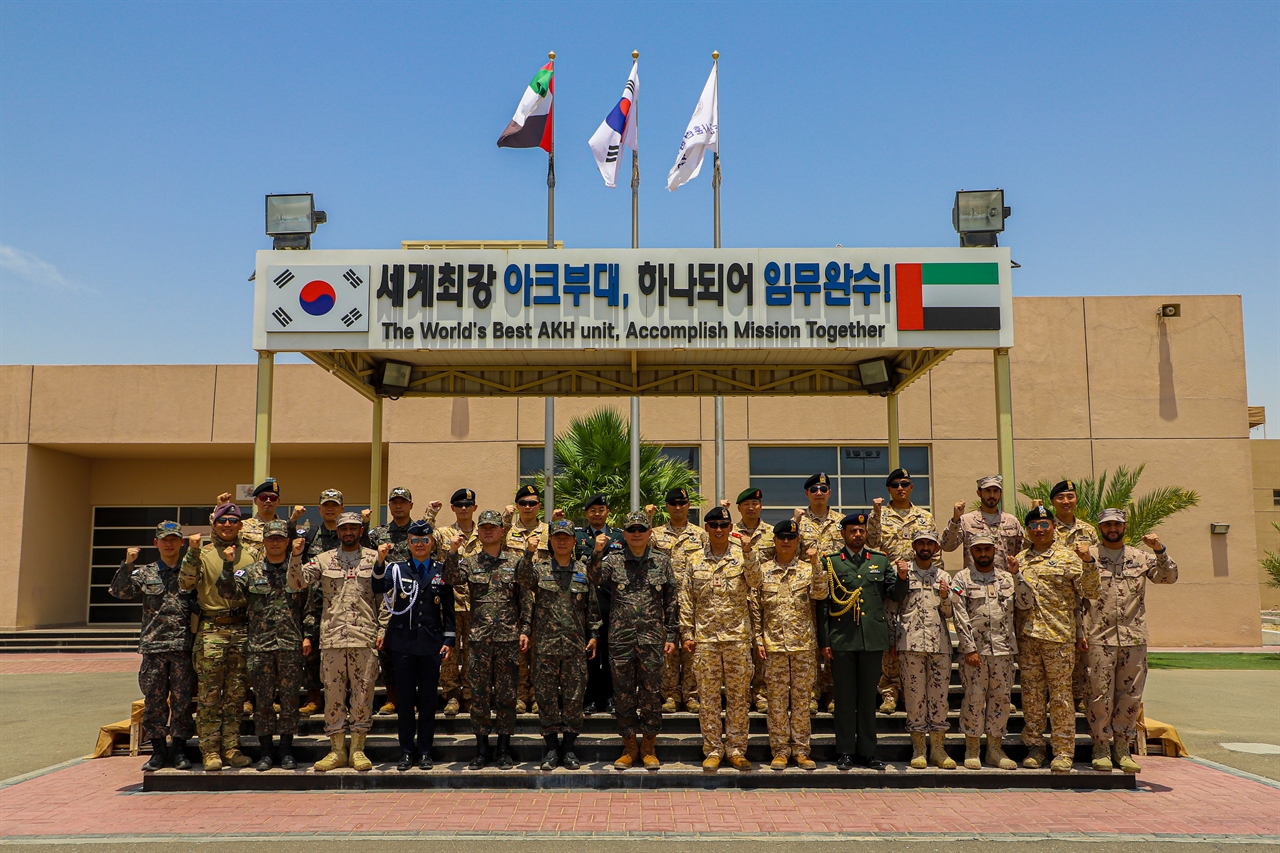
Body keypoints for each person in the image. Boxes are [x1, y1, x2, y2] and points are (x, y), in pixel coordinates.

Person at [1082, 509, 1177, 773]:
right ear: (1100, 528)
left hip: (1133, 637)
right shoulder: (1087, 556)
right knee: (1099, 695)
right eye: (1107, 524)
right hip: (1098, 637)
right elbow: (1077, 596)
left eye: (1117, 523)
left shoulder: (1140, 557)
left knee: (1130, 696)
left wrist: (1160, 549)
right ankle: (1101, 746)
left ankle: (1122, 747)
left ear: (1125, 526)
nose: (1112, 528)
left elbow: (1168, 577)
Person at [288, 512, 381, 773]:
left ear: (361, 531)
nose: (349, 532)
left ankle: (358, 750)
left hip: (364, 637)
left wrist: (382, 629)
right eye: (344, 528)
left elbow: (386, 599)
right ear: (338, 532)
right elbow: (296, 583)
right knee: (333, 696)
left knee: (363, 695)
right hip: (332, 639)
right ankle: (337, 750)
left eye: (353, 527)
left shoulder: (375, 559)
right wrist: (296, 556)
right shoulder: (324, 559)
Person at [588, 510, 678, 770]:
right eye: (632, 530)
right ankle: (629, 746)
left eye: (641, 529)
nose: (637, 534)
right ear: (624, 534)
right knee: (624, 694)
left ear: (649, 533)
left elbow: (671, 600)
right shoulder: (613, 560)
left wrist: (671, 634)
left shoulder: (662, 562)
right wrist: (596, 552)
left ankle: (648, 746)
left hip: (651, 639)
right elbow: (593, 578)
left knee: (651, 693)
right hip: (621, 639)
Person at [1013, 505, 1100, 772]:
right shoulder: (1020, 559)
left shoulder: (1068, 557)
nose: (1038, 529)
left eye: (1043, 524)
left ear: (1053, 526)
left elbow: (1090, 591)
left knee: (1062, 697)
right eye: (1033, 526)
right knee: (1032, 695)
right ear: (1027, 530)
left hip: (1059, 636)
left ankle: (1063, 751)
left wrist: (1088, 562)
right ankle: (1036, 746)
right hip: (1028, 637)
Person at [816, 512, 906, 770]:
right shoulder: (832, 562)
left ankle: (867, 752)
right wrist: (825, 641)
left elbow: (895, 595)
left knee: (868, 698)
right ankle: (845, 751)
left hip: (871, 640)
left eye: (861, 530)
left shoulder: (878, 560)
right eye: (853, 531)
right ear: (843, 534)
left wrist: (901, 577)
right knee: (844, 699)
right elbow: (823, 604)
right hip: (842, 639)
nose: (858, 534)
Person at [676, 506, 762, 771]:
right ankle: (713, 749)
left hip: (737, 638)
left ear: (730, 528)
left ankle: (736, 749)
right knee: (709, 698)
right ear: (706, 528)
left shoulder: (743, 555)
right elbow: (686, 599)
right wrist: (687, 633)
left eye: (723, 525)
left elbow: (756, 582)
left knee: (738, 697)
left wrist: (748, 552)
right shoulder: (694, 560)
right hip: (705, 640)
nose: (719, 530)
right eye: (713, 525)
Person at [217, 520, 306, 771]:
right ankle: (266, 752)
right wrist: (228, 564)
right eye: (270, 538)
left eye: (279, 538)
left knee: (289, 701)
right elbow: (228, 592)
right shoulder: (251, 572)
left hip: (290, 644)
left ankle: (287, 751)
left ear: (287, 542)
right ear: (264, 542)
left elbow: (309, 606)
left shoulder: (297, 571)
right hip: (260, 646)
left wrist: (308, 635)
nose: (275, 542)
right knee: (263, 702)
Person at [441, 509, 526, 771]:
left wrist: (525, 629)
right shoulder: (470, 562)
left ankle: (503, 748)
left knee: (506, 696)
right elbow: (450, 578)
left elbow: (525, 600)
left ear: (503, 531)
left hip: (507, 639)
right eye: (484, 527)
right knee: (478, 696)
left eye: (494, 527)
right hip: (478, 640)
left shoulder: (516, 562)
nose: (488, 531)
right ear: (479, 532)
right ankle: (481, 748)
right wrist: (453, 552)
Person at [109, 520, 196, 771]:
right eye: (164, 540)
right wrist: (127, 564)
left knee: (181, 703)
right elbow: (120, 592)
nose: (169, 544)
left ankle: (180, 751)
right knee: (154, 702)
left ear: (181, 542)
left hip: (183, 646)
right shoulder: (145, 572)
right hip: (154, 647)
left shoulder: (190, 571)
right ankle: (158, 752)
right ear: (155, 543)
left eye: (174, 539)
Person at [373, 519, 455, 771]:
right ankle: (407, 752)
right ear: (408, 544)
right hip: (403, 643)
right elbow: (377, 586)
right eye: (414, 541)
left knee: (429, 701)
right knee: (406, 701)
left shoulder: (442, 570)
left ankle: (426, 752)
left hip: (430, 643)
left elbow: (448, 608)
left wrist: (449, 639)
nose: (420, 545)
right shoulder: (396, 569)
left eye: (425, 540)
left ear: (432, 543)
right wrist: (379, 561)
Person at [179, 502, 255, 771]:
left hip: (242, 629)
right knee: (210, 694)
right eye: (223, 521)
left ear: (240, 525)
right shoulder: (202, 553)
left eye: (233, 521)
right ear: (214, 524)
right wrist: (192, 552)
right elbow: (186, 583)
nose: (227, 525)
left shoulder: (252, 555)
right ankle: (210, 751)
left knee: (235, 694)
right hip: (212, 629)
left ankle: (231, 748)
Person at [518, 520, 599, 770]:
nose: (562, 541)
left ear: (574, 541)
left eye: (566, 537)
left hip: (575, 647)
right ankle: (552, 748)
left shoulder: (584, 571)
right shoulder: (540, 570)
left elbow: (592, 608)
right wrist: (528, 552)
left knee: (575, 698)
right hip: (545, 647)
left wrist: (594, 634)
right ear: (550, 541)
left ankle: (570, 747)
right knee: (546, 696)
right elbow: (522, 578)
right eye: (557, 537)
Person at [750, 519, 826, 770]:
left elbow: (820, 593)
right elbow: (756, 608)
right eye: (781, 537)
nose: (785, 541)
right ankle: (780, 750)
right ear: (774, 541)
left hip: (803, 646)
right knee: (777, 702)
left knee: (802, 701)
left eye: (791, 538)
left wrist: (816, 564)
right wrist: (759, 640)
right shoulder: (763, 571)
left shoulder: (807, 569)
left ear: (797, 542)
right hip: (774, 647)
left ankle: (802, 751)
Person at [867, 467, 939, 715]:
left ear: (911, 487)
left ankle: (911, 691)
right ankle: (889, 691)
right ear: (889, 489)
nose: (900, 488)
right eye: (895, 484)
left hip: (918, 584)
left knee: (913, 638)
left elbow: (932, 548)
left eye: (905, 484)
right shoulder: (880, 514)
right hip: (889, 584)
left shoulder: (924, 517)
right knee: (890, 639)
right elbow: (872, 543)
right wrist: (876, 514)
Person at [949, 533, 1020, 770]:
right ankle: (972, 748)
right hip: (975, 653)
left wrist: (1018, 575)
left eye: (987, 549)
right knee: (974, 698)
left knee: (1001, 699)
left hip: (1003, 650)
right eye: (978, 550)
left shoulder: (1007, 578)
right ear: (971, 552)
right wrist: (969, 648)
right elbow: (959, 616)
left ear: (994, 551)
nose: (982, 554)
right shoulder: (962, 578)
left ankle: (994, 749)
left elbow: (1026, 604)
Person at [368, 487, 439, 716]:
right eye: (394, 502)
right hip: (389, 600)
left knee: (420, 650)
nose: (398, 506)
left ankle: (418, 697)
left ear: (410, 505)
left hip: (419, 595)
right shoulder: (377, 535)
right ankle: (393, 696)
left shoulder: (419, 532)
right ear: (389, 505)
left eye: (403, 502)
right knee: (389, 648)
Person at [892, 529, 956, 770]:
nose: (926, 547)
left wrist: (945, 597)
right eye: (921, 543)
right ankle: (919, 748)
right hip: (911, 644)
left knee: (939, 698)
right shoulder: (904, 573)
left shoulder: (944, 576)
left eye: (930, 543)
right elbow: (893, 607)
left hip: (940, 644)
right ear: (914, 546)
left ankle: (938, 749)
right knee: (914, 697)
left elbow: (951, 613)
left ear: (936, 548)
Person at [648, 487, 708, 714]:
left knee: (692, 648)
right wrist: (648, 517)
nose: (678, 507)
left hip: (693, 600)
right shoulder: (656, 533)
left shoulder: (700, 535)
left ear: (688, 505)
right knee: (668, 651)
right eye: (673, 502)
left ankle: (691, 695)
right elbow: (640, 544)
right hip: (664, 600)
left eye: (682, 502)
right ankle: (670, 695)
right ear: (667, 506)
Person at [1048, 479, 1100, 713]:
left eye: (1070, 496)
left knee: (1082, 649)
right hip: (1056, 598)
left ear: (1076, 499)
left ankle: (1078, 697)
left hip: (1084, 598)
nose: (1066, 501)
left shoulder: (1088, 530)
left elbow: (1097, 562)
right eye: (1060, 497)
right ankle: (1056, 697)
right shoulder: (1046, 527)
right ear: (1053, 502)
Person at [296, 488, 349, 717]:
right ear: (319, 509)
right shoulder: (309, 536)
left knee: (342, 653)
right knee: (312, 651)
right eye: (326, 505)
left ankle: (341, 699)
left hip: (342, 601)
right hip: (314, 603)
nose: (330, 509)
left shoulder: (348, 535)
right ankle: (313, 697)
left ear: (342, 509)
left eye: (334, 505)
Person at [795, 472, 843, 712]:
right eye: (814, 489)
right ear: (807, 494)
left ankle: (832, 693)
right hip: (808, 592)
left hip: (837, 592)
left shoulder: (842, 521)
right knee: (812, 643)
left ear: (829, 493)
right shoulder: (798, 523)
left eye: (823, 489)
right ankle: (813, 692)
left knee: (833, 643)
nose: (819, 493)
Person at [574, 494, 625, 715]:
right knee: (590, 656)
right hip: (586, 603)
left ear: (608, 512)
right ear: (586, 513)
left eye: (601, 509)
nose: (597, 513)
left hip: (612, 603)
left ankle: (611, 698)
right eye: (592, 510)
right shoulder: (577, 537)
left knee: (612, 655)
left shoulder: (619, 537)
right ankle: (591, 699)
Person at [432, 488, 480, 716]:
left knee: (473, 652)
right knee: (448, 652)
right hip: (449, 603)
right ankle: (451, 694)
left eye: (468, 505)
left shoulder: (485, 532)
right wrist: (430, 513)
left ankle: (470, 695)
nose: (464, 508)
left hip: (476, 604)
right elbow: (420, 537)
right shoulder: (443, 533)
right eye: (459, 505)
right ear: (452, 508)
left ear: (474, 508)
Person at [727, 488, 775, 712]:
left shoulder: (771, 533)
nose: (751, 507)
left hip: (766, 597)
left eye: (755, 503)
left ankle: (762, 692)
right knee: (741, 649)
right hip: (736, 598)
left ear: (761, 506)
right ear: (739, 508)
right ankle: (743, 693)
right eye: (746, 504)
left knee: (764, 644)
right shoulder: (728, 533)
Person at [505, 484, 551, 714]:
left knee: (540, 650)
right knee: (519, 650)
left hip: (543, 598)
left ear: (539, 506)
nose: (528, 507)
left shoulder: (549, 532)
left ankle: (537, 696)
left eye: (532, 503)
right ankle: (521, 695)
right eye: (523, 503)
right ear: (517, 507)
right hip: (514, 600)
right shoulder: (507, 532)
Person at [941, 475, 1025, 574]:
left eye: (996, 491)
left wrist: (1039, 512)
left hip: (1005, 583)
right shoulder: (967, 520)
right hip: (974, 583)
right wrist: (955, 519)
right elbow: (947, 546)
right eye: (987, 491)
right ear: (979, 493)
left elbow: (1024, 552)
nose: (992, 495)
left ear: (1000, 493)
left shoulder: (1011, 521)